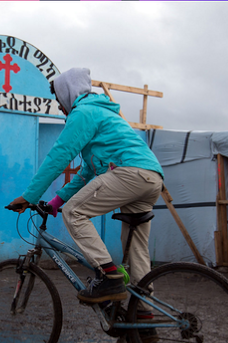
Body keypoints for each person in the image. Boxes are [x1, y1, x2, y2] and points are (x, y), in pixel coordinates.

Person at [9, 68, 164, 304]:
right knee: (136, 249)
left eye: (60, 101)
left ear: (68, 94)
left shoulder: (84, 113)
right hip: (151, 177)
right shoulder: (104, 113)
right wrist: (56, 202)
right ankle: (144, 315)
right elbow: (87, 171)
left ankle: (109, 277)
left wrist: (30, 196)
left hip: (129, 172)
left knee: (75, 212)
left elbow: (59, 156)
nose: (61, 108)